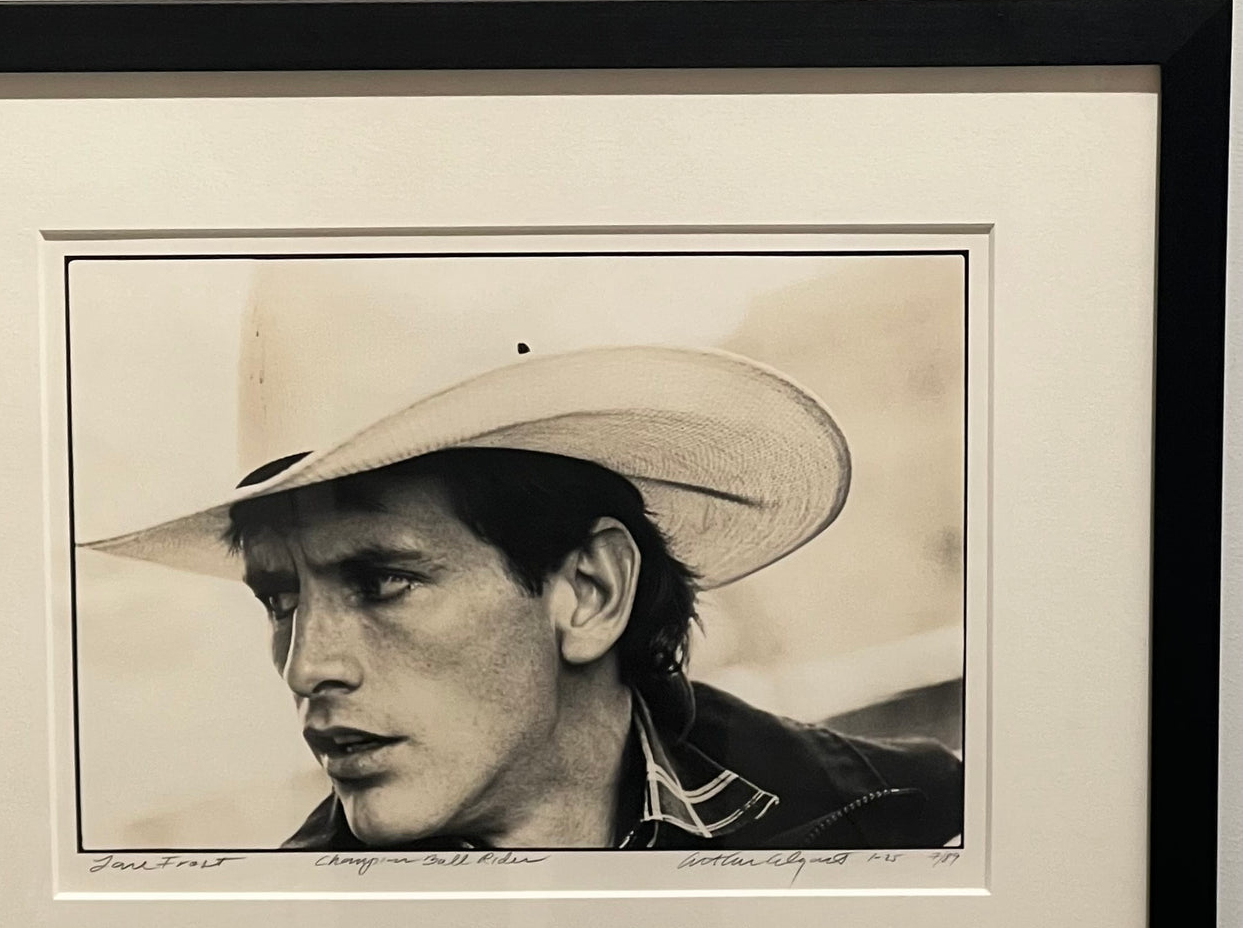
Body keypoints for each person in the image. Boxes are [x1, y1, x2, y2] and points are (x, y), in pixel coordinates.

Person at [86, 341, 962, 851]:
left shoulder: (907, 822)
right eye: (278, 598)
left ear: (588, 590)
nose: (306, 663)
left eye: (383, 580)